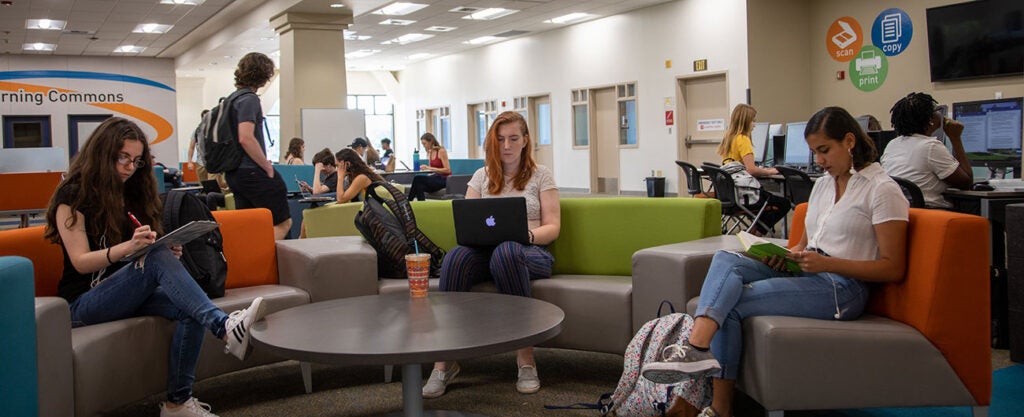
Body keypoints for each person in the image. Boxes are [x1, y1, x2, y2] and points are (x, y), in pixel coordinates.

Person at [641, 107, 909, 417]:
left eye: (824, 151)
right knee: (727, 258)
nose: (819, 161)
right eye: (814, 152)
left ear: (849, 141)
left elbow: (892, 266)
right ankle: (698, 349)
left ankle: (717, 400)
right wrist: (788, 255)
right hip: (810, 272)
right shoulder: (823, 184)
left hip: (843, 287)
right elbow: (805, 244)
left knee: (731, 304)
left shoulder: (882, 189)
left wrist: (828, 264)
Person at [43, 117, 266, 417]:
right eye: (123, 158)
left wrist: (162, 248)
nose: (129, 167)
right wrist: (132, 248)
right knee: (156, 259)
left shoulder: (129, 193)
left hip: (121, 294)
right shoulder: (72, 196)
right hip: (82, 305)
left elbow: (133, 260)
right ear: (102, 152)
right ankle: (225, 327)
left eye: (136, 161)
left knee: (187, 305)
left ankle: (177, 404)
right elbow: (81, 263)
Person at [422, 111, 560, 398]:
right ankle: (444, 362)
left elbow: (553, 227)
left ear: (525, 141)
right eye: (499, 139)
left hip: (530, 253)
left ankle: (525, 359)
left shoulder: (541, 175)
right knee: (456, 257)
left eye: (513, 138)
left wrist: (527, 236)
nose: (506, 145)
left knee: (507, 251)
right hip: (488, 254)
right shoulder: (481, 176)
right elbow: (469, 223)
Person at [223, 52, 291, 240]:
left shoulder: (231, 100)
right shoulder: (250, 99)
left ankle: (248, 265)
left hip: (234, 173)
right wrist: (266, 166)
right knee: (282, 223)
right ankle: (266, 264)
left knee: (250, 226)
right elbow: (246, 137)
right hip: (252, 171)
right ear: (264, 74)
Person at [881, 92, 972, 209]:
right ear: (930, 119)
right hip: (930, 214)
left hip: (904, 212)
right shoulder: (930, 146)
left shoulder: (892, 144)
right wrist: (955, 138)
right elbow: (966, 183)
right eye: (936, 110)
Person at [716, 104, 790, 235]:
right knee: (784, 203)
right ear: (745, 121)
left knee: (769, 200)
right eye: (753, 120)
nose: (754, 125)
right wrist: (770, 171)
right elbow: (752, 170)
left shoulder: (728, 138)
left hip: (731, 195)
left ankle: (753, 230)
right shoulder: (743, 139)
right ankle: (757, 232)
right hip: (744, 195)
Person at [408, 133, 451, 201]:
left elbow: (448, 170)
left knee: (417, 178)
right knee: (419, 186)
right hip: (435, 178)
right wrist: (425, 170)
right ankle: (422, 207)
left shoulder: (441, 151)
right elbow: (432, 171)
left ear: (431, 142)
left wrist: (428, 168)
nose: (424, 146)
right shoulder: (430, 152)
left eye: (424, 144)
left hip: (444, 179)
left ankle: (408, 202)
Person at [186, 109, 210, 181]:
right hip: (200, 162)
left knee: (213, 182)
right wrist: (189, 162)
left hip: (213, 162)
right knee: (203, 184)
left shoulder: (215, 130)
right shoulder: (197, 131)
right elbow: (191, 148)